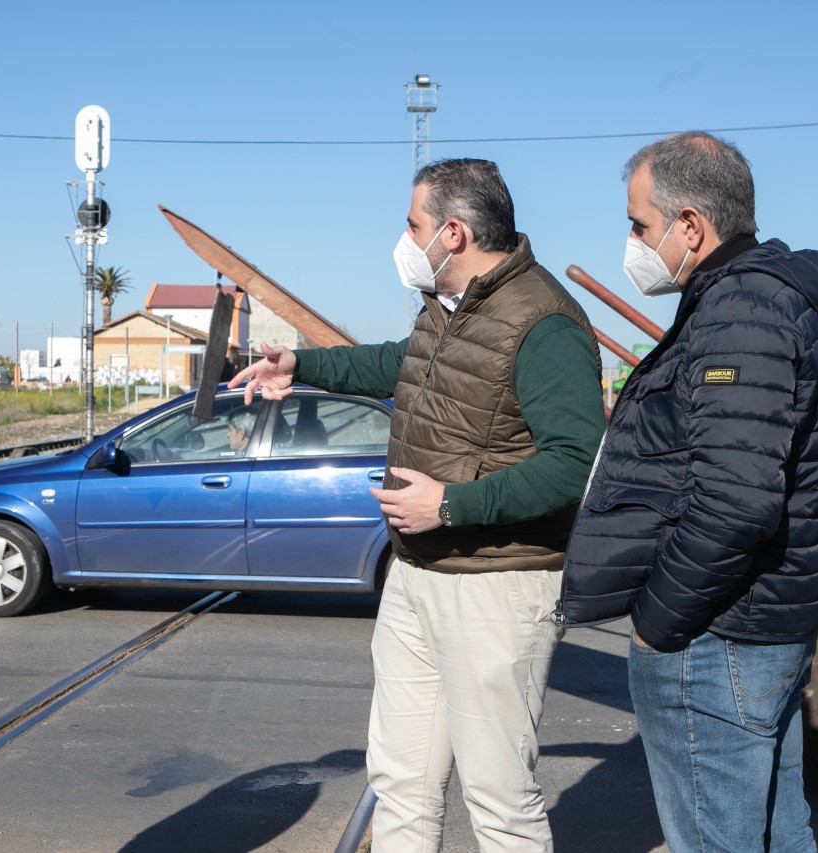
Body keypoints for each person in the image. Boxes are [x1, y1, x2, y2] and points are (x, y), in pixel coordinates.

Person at [229, 158, 605, 852]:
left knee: (499, 798)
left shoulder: (544, 321)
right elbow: (395, 364)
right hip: (416, 575)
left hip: (496, 586)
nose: (405, 239)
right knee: (400, 781)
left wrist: (453, 505)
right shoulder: (446, 308)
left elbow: (575, 465)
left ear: (454, 232)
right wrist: (302, 366)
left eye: (413, 224)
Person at [558, 132, 818, 853]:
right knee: (779, 834)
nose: (631, 242)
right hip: (758, 624)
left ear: (690, 225)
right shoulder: (757, 300)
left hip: (719, 632)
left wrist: (657, 621)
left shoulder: (740, 312)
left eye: (639, 225)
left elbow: (738, 499)